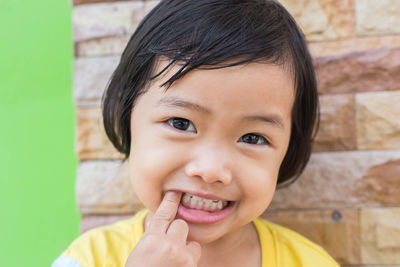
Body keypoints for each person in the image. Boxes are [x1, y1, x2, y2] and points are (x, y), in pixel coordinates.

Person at [53, 0, 340, 266]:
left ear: (288, 150)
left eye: (253, 138)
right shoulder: (87, 259)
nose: (211, 170)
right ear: (126, 118)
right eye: (180, 123)